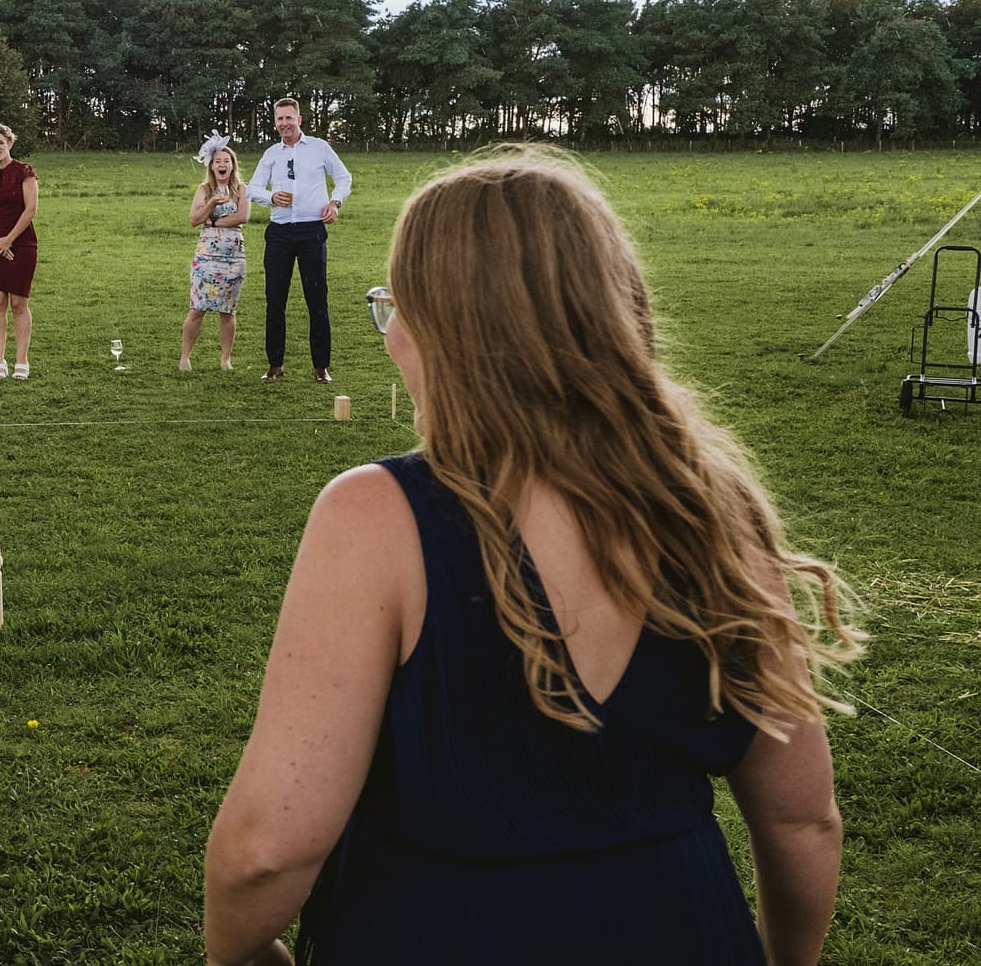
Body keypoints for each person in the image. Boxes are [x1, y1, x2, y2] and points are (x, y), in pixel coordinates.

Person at [203, 146, 862, 966]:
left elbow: (266, 849)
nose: (393, 332)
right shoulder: (716, 512)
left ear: (455, 328)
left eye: (400, 303)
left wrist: (236, 953)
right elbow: (803, 819)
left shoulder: (373, 518)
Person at [244, 97, 350, 382]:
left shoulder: (319, 148)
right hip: (279, 233)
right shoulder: (271, 154)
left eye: (289, 118)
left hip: (311, 231)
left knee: (317, 299)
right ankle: (275, 365)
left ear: (299, 120)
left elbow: (343, 177)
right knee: (274, 300)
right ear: (275, 122)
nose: (284, 123)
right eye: (279, 119)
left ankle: (320, 367)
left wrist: (335, 202)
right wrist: (270, 197)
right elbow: (251, 188)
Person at [181, 136, 250, 371]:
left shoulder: (241, 189)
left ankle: (225, 359)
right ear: (211, 165)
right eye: (217, 160)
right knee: (197, 307)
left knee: (227, 310)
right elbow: (193, 219)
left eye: (226, 161)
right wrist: (210, 204)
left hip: (233, 257)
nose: (222, 164)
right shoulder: (204, 189)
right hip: (206, 258)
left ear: (232, 165)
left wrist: (213, 221)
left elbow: (243, 217)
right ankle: (185, 357)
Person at [0, 123, 38, 379]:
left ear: (9, 144)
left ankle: (21, 361)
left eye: (0, 142)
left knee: (18, 303)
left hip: (22, 244)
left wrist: (9, 240)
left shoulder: (24, 171)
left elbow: (30, 209)